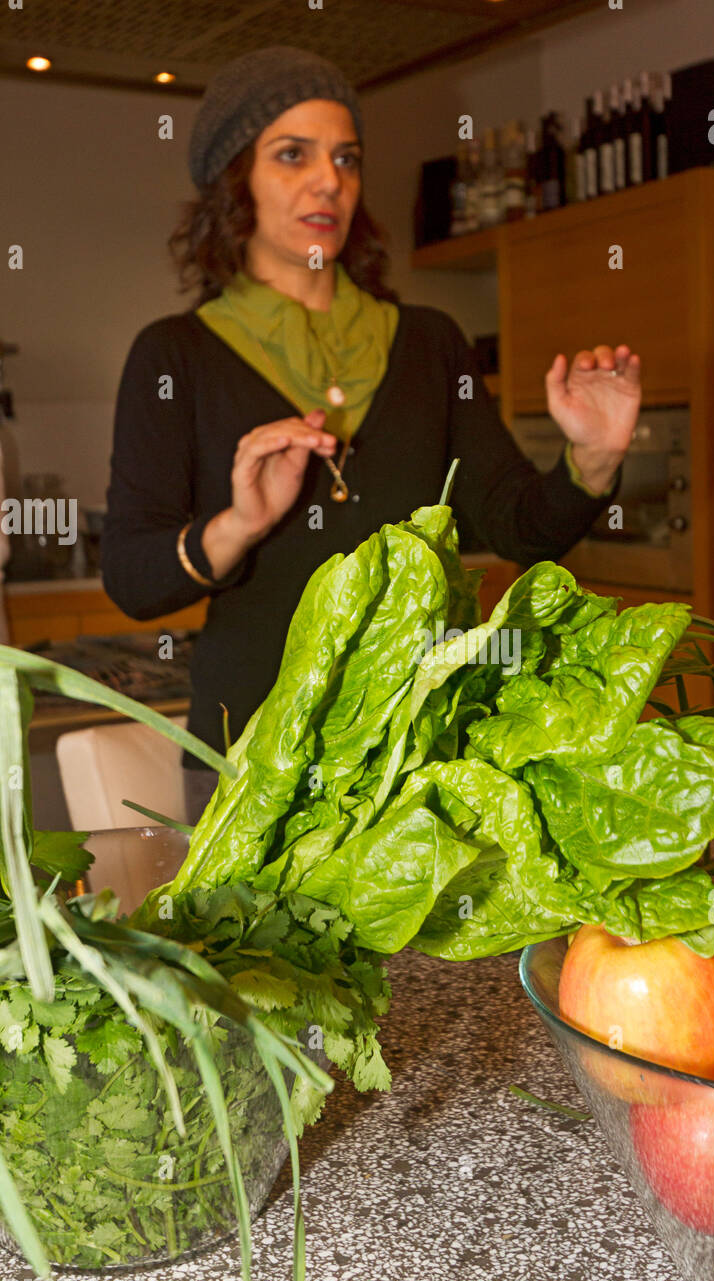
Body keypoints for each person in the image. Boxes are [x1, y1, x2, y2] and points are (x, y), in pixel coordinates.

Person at [101, 46, 643, 826]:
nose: (330, 181)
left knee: (438, 959)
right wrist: (238, 526)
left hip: (421, 751)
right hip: (250, 757)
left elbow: (519, 526)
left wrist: (593, 457)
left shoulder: (429, 342)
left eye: (346, 158)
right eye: (293, 155)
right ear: (235, 181)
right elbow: (132, 576)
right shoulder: (174, 355)